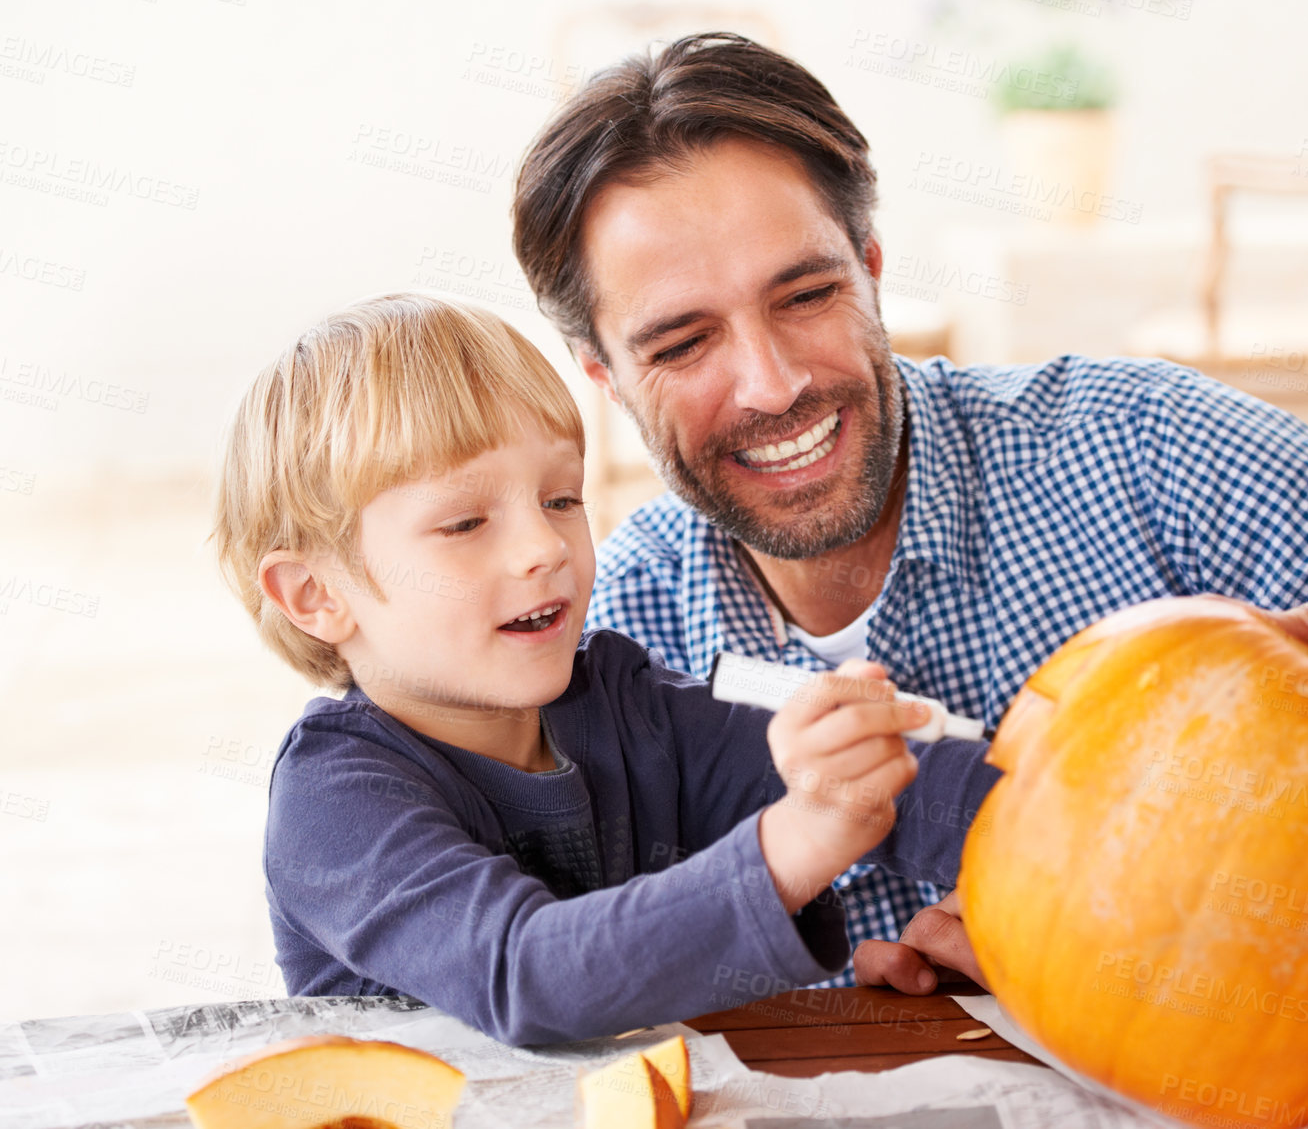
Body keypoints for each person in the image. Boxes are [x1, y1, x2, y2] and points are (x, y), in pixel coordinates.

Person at [509, 32, 1308, 987]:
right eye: (683, 342)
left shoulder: (1156, 459)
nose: (771, 384)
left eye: (805, 295)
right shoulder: (611, 633)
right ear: (601, 371)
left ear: (871, 266)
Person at [209, 292, 1005, 1044]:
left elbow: (904, 788)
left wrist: (1037, 851)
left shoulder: (631, 705)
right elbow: (527, 973)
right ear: (314, 595)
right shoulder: (334, 802)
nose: (545, 548)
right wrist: (799, 839)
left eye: (560, 499)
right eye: (464, 522)